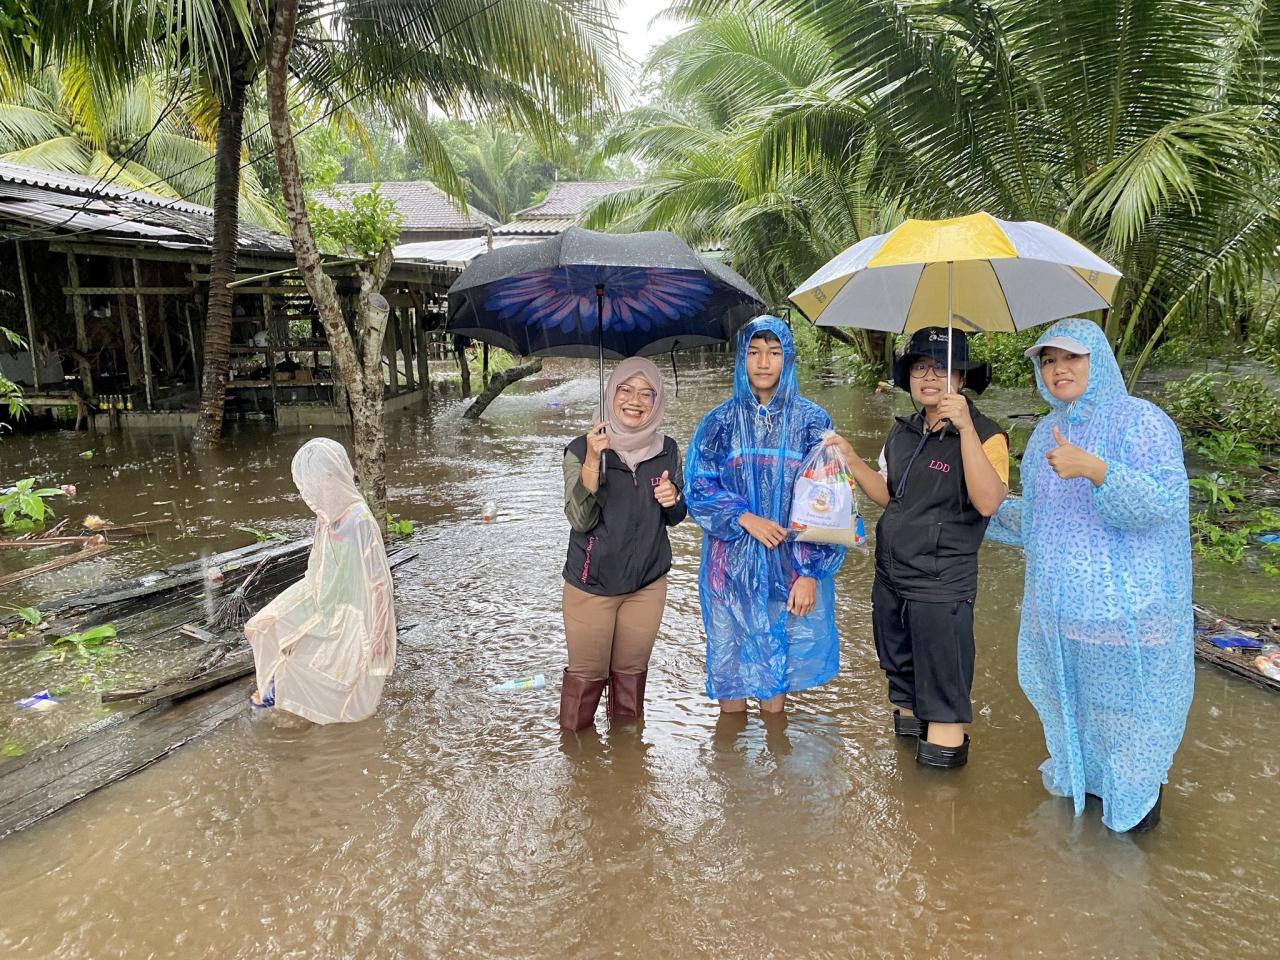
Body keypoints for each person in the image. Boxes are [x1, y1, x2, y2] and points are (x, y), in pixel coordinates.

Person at [986, 317, 1192, 832]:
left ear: (1096, 360)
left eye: (1071, 358)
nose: (1059, 369)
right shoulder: (1041, 438)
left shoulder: (1141, 421)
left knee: (1135, 730)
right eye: (1048, 360)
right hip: (1061, 619)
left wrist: (1096, 469)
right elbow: (1036, 522)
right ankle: (1086, 853)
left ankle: (1132, 858)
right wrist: (970, 513)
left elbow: (1164, 502)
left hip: (1130, 621)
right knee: (1077, 720)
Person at [827, 327, 1007, 768]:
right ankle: (908, 797)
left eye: (943, 368)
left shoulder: (988, 435)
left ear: (962, 379)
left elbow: (988, 501)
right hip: (891, 577)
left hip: (941, 585)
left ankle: (941, 813)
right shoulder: (903, 433)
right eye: (920, 367)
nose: (930, 377)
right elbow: (892, 497)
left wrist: (964, 429)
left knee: (943, 692)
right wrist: (851, 459)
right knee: (902, 682)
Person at [684, 315, 847, 714]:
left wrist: (809, 573)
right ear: (741, 359)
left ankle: (778, 768)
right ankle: (732, 772)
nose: (763, 362)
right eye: (754, 353)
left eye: (773, 353)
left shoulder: (812, 422)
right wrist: (742, 516)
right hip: (727, 568)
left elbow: (827, 504)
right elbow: (698, 486)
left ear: (787, 359)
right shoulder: (718, 423)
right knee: (730, 675)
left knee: (775, 678)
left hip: (786, 566)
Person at [559, 357, 686, 731]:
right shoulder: (581, 448)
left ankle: (627, 768)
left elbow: (675, 517)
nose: (635, 401)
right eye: (625, 390)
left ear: (657, 399)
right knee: (586, 679)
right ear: (610, 394)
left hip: (647, 583)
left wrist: (674, 497)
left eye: (646, 393)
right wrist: (594, 462)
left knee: (631, 685)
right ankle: (578, 768)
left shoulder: (667, 448)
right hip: (591, 585)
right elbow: (580, 519)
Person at [244, 438, 396, 724]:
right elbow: (318, 568)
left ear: (330, 477)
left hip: (351, 608)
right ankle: (280, 690)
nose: (309, 493)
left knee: (340, 670)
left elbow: (379, 583)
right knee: (262, 628)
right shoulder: (327, 517)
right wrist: (297, 604)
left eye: (312, 484)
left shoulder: (359, 519)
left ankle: (293, 698)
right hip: (322, 597)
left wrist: (379, 634)